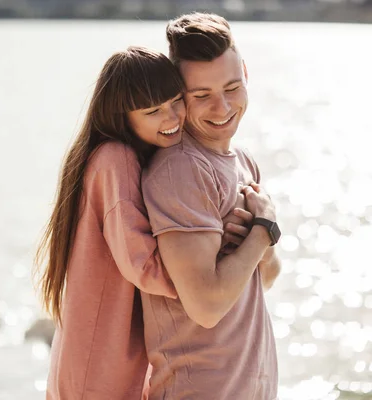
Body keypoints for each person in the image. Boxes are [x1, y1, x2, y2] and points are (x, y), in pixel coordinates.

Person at [35, 46, 257, 399]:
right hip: (100, 357)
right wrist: (216, 264)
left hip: (104, 346)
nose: (172, 118)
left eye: (175, 102)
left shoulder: (125, 157)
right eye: (153, 111)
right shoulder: (115, 159)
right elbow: (144, 265)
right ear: (122, 116)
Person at [140, 13, 282, 399]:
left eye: (232, 88)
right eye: (201, 95)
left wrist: (258, 238)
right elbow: (206, 306)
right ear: (177, 95)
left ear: (246, 74)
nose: (221, 109)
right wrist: (264, 228)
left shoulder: (243, 160)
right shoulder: (182, 169)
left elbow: (264, 279)